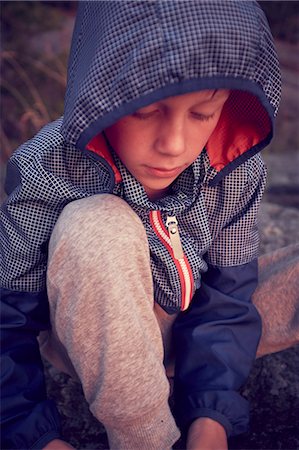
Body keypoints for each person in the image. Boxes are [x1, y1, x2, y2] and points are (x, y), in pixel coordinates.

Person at [2, 1, 297, 449]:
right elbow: (7, 320)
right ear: (101, 94)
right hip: (94, 331)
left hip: (191, 327)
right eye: (144, 111)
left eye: (201, 114)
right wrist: (34, 439)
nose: (173, 145)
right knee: (96, 224)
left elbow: (228, 299)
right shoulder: (49, 167)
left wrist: (210, 417)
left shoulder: (236, 168)